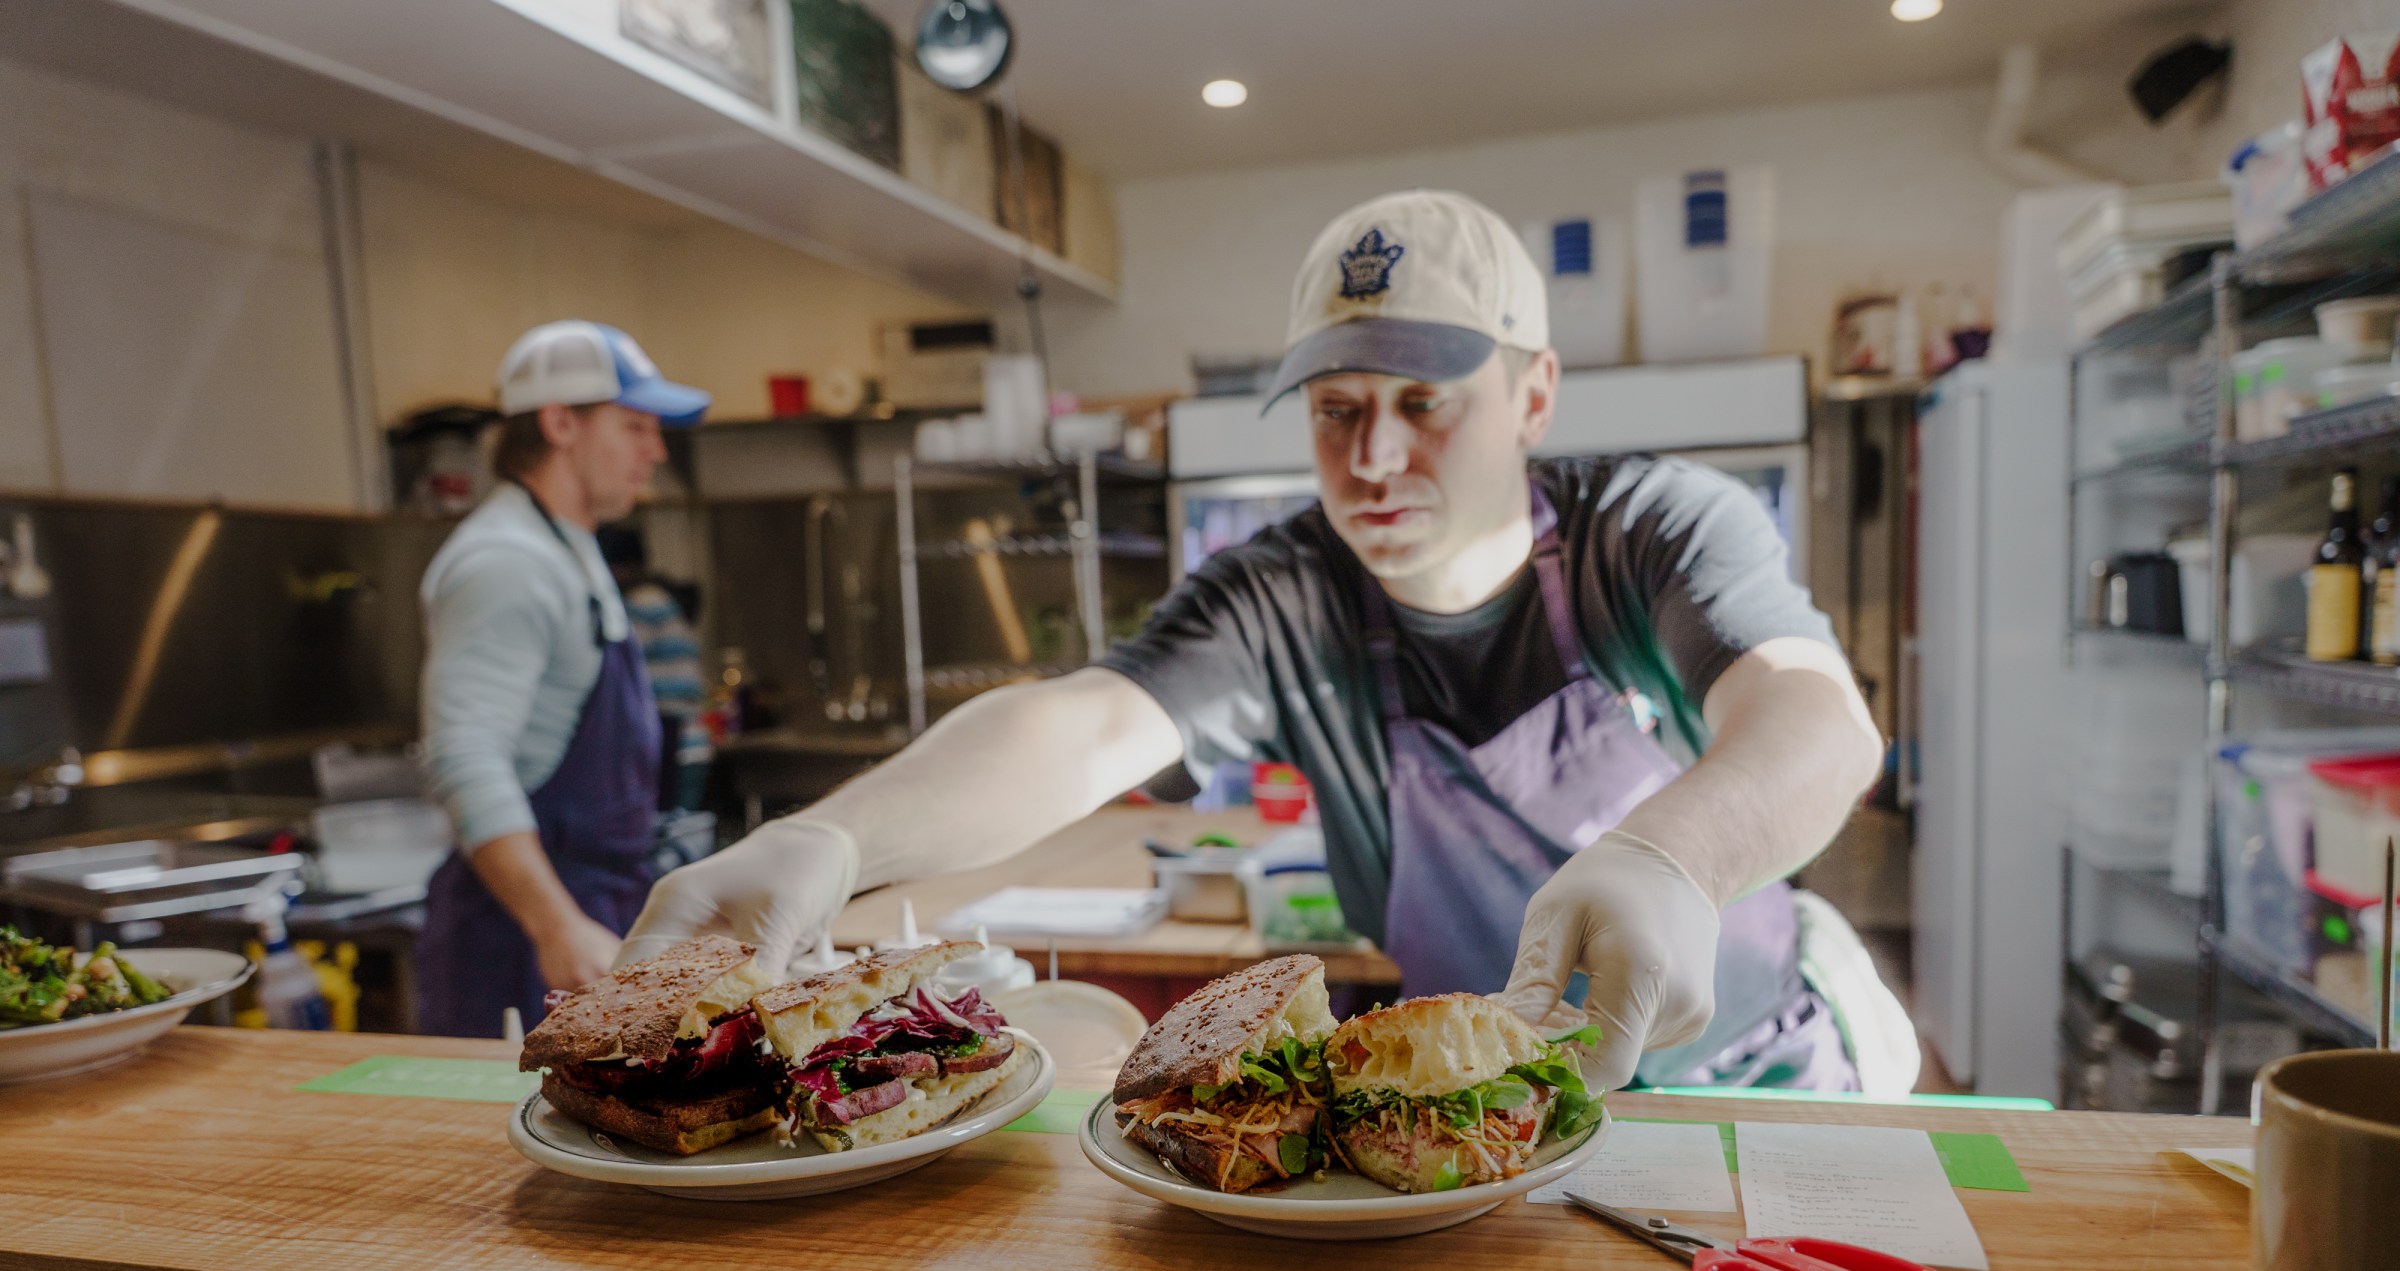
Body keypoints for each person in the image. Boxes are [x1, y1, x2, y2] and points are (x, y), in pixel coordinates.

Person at [623, 191, 1883, 1091]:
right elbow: (1080, 724)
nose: (1374, 460)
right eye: (1337, 411)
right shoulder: (1289, 593)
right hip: (1499, 1102)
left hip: (1752, 1075)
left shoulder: (1651, 531)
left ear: (1533, 395)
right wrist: (833, 839)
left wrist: (1668, 858)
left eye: (1422, 405)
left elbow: (1815, 720)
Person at [414, 321, 710, 1038]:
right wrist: (555, 925)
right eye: (636, 426)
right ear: (558, 423)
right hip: (524, 940)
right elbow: (462, 754)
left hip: (587, 910)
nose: (656, 451)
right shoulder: (507, 561)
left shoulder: (564, 547)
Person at [598, 527, 714, 812]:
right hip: (690, 744)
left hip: (674, 746)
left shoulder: (643, 603)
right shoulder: (660, 599)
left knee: (669, 838)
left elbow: (612, 665)